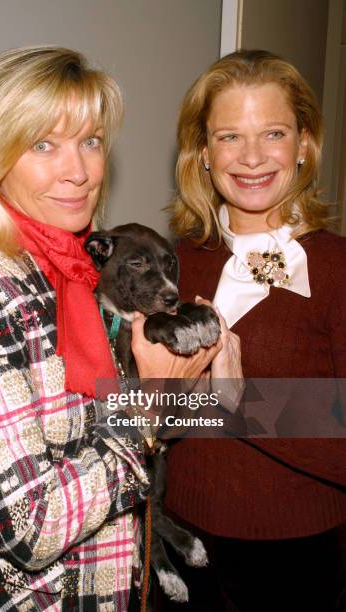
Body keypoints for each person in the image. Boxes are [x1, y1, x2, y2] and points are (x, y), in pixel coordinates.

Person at [0, 46, 219, 611]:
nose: (79, 170)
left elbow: (117, 429)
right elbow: (30, 525)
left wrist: (205, 388)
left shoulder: (77, 272)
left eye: (91, 141)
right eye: (43, 144)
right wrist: (148, 409)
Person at [163, 49, 346, 612]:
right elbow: (151, 416)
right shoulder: (175, 262)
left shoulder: (335, 268)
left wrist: (248, 405)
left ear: (304, 145)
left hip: (298, 558)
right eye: (228, 137)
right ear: (202, 152)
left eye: (273, 132)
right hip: (179, 541)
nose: (251, 158)